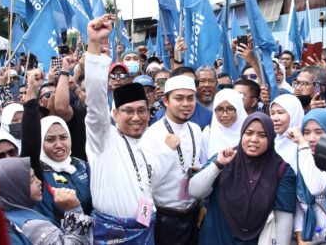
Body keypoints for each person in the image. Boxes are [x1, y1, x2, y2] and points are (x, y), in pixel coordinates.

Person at [85, 15, 155, 244]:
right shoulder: (103, 138)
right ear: (114, 114)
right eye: (128, 111)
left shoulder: (150, 140)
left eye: (141, 111)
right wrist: (95, 45)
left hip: (145, 233)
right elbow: (95, 101)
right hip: (111, 235)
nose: (136, 117)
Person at [189, 112, 296, 244]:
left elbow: (284, 217)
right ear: (241, 134)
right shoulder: (225, 158)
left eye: (262, 135)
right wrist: (217, 165)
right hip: (216, 237)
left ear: (271, 138)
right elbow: (195, 191)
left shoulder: (282, 170)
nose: (254, 139)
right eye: (249, 133)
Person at [140, 75, 203, 245]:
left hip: (193, 213)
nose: (186, 104)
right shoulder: (152, 135)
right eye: (179, 98)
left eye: (191, 98)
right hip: (164, 218)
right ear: (166, 101)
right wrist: (167, 151)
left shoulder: (196, 130)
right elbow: (147, 183)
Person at [0, 157, 93, 244]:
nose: (39, 182)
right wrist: (74, 210)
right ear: (15, 188)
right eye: (31, 179)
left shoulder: (13, 213)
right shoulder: (30, 225)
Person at [286, 109, 326, 243]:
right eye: (306, 133)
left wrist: (302, 144)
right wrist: (301, 238)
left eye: (319, 132)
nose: (311, 139)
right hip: (311, 238)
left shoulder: (306, 154)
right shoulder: (301, 158)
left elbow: (316, 186)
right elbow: (301, 205)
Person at [35, 116, 92, 225]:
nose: (59, 145)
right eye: (50, 140)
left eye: (63, 137)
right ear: (40, 141)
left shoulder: (81, 165)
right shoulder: (38, 174)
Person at [54, 55, 88, 161]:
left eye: (92, 89)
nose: (88, 94)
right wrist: (65, 71)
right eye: (84, 90)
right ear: (79, 92)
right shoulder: (78, 113)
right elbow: (61, 107)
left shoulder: (109, 112)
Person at [201, 89, 248, 163]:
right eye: (219, 109)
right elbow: (203, 164)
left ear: (239, 109)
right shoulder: (208, 132)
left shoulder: (249, 132)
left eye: (230, 109)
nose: (225, 115)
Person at [270, 94, 304, 174]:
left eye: (280, 113)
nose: (275, 118)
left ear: (294, 115)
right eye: (272, 113)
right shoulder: (270, 143)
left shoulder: (304, 146)